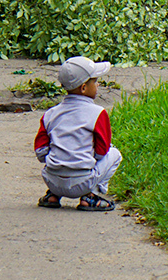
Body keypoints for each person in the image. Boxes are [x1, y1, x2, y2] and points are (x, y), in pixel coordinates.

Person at [33, 57, 121, 211]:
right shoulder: (98, 113)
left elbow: (40, 152)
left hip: (52, 180)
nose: (98, 84)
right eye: (95, 81)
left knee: (58, 156)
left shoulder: (50, 114)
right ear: (84, 88)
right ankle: (91, 196)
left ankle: (53, 195)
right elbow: (101, 152)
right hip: (82, 183)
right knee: (114, 153)